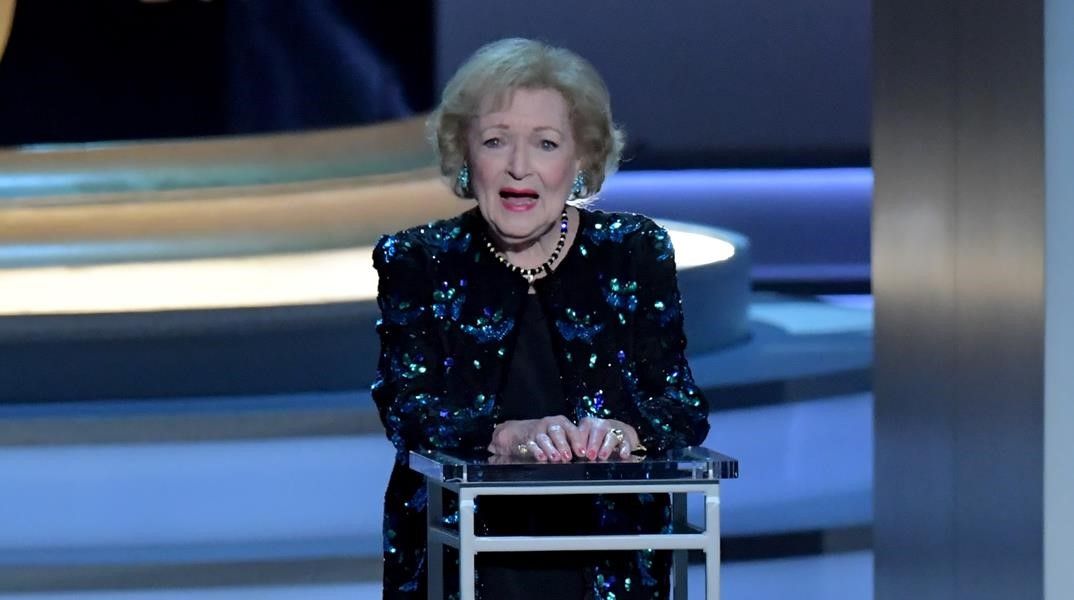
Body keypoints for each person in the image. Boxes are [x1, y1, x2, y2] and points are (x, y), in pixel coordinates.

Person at [372, 37, 710, 599]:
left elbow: (681, 405)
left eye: (546, 143)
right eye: (496, 141)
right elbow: (409, 410)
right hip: (462, 558)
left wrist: (628, 433)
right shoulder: (419, 260)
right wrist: (502, 437)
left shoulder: (633, 251)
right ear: (465, 155)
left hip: (609, 558)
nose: (519, 167)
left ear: (580, 160)